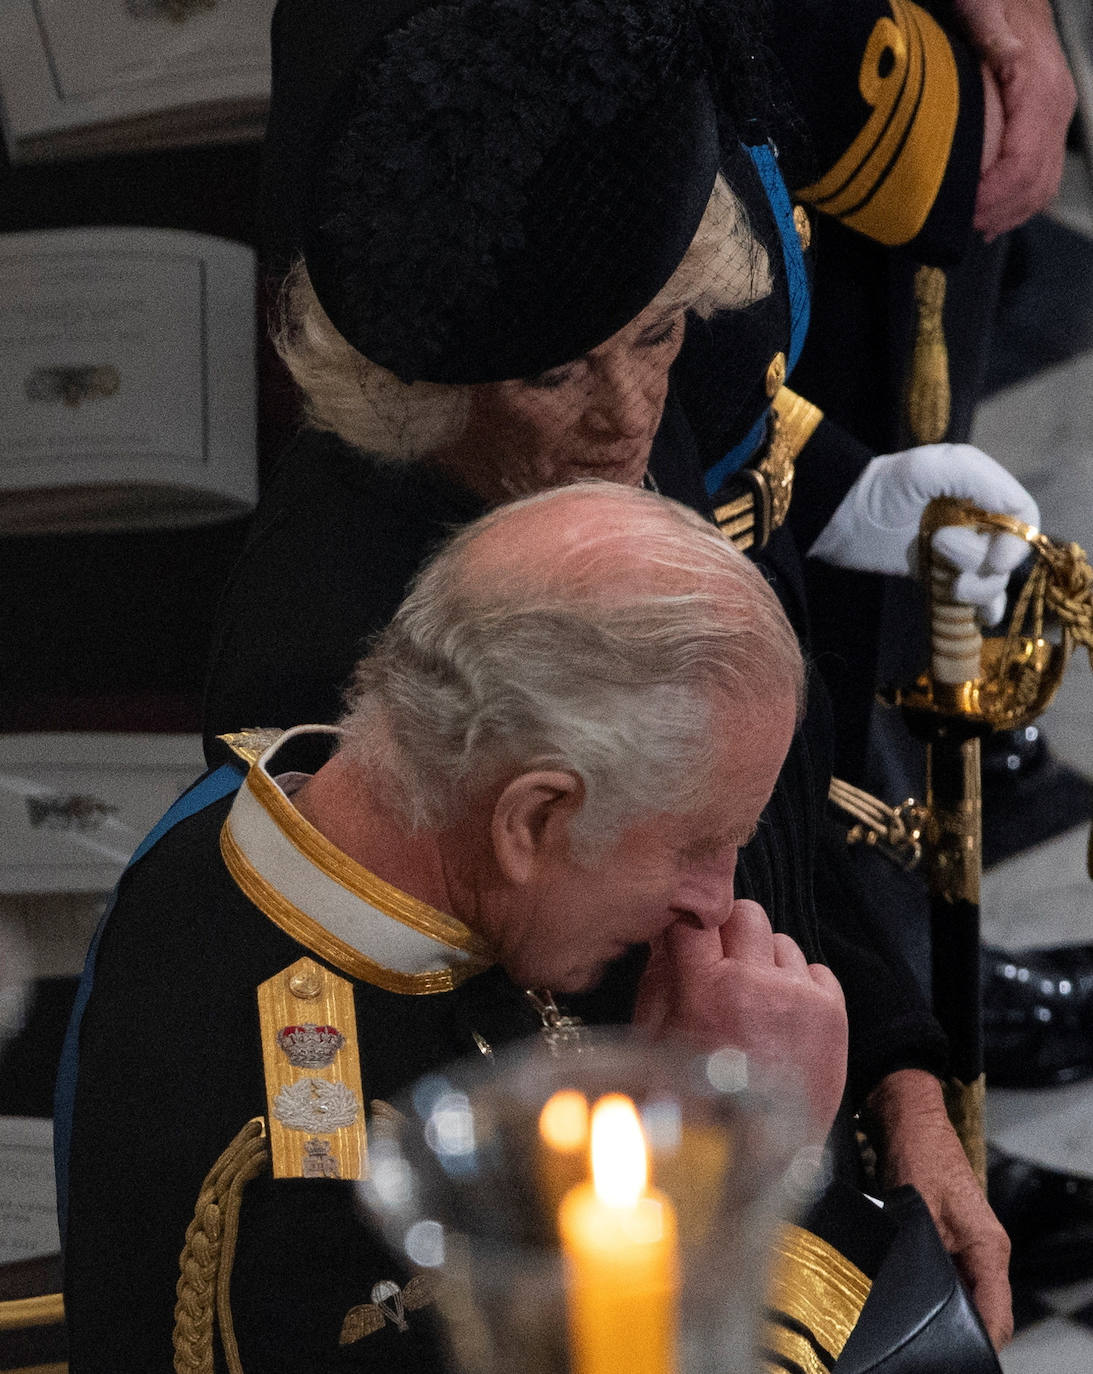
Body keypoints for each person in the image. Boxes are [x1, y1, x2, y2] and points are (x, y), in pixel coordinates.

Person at [202, 0, 1029, 1347]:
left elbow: (751, 830)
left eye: (656, 342)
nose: (629, 417)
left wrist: (905, 1085)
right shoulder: (333, 672)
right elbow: (502, 1259)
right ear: (440, 380)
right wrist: (753, 1123)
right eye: (559, 375)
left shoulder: (599, 409)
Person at [58, 482, 846, 1372]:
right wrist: (752, 1167)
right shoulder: (291, 1167)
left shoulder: (353, 808)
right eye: (699, 846)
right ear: (531, 820)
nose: (716, 902)